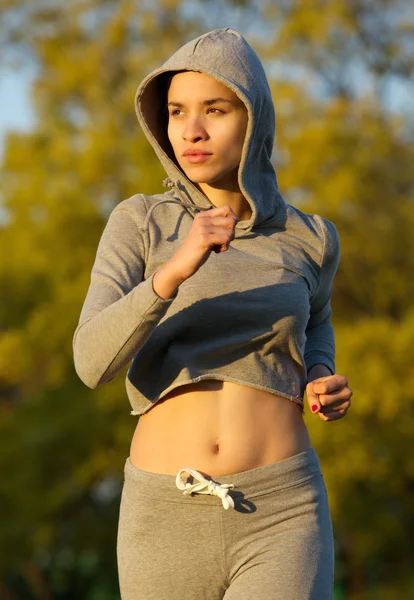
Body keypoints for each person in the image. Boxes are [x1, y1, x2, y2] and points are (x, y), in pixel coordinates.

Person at [73, 28, 352, 600]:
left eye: (215, 109)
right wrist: (174, 271)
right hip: (164, 515)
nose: (191, 130)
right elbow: (90, 362)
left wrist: (321, 374)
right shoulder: (139, 221)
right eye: (177, 112)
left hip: (282, 508)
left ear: (254, 119)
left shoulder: (310, 236)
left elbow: (315, 317)